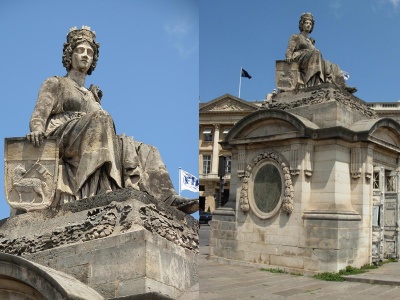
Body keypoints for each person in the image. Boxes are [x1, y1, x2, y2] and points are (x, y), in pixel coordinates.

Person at [26, 26, 198, 213]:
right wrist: (37, 128)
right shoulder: (56, 82)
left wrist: (95, 103)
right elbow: (38, 115)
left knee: (146, 150)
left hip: (93, 132)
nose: (85, 55)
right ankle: (103, 188)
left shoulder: (91, 95)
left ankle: (167, 197)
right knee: (102, 118)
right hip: (63, 137)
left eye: (89, 52)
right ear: (70, 54)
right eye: (80, 50)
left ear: (93, 60)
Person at [285, 13, 356, 93]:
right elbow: (289, 50)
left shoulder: (310, 41)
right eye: (306, 23)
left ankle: (342, 85)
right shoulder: (296, 36)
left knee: (333, 66)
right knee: (316, 52)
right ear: (302, 24)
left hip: (312, 58)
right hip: (299, 59)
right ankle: (317, 82)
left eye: (310, 24)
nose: (308, 25)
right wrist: (289, 56)